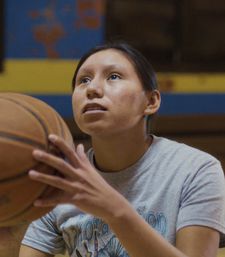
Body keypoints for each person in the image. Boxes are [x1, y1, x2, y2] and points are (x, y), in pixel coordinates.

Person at [19, 42, 225, 257]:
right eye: (84, 80)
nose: (92, 89)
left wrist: (115, 211)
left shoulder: (196, 170)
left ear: (151, 101)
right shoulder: (62, 181)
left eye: (113, 76)